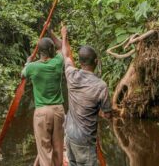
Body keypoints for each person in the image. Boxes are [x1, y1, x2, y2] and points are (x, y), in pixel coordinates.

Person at [50, 25, 112, 166]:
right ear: (96, 61)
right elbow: (108, 115)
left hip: (70, 136)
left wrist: (64, 36)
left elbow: (65, 54)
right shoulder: (101, 86)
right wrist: (100, 111)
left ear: (80, 62)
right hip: (85, 141)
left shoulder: (71, 74)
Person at [22, 36, 65, 166]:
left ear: (39, 52)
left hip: (42, 112)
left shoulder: (32, 67)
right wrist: (51, 32)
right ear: (51, 49)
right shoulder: (58, 62)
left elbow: (22, 74)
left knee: (44, 150)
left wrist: (28, 62)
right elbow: (61, 46)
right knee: (58, 148)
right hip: (58, 111)